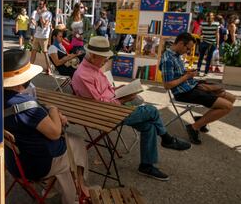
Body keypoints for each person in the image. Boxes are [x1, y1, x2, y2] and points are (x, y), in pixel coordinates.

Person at [72, 36, 191, 181]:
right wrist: (122, 99)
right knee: (152, 111)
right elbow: (101, 105)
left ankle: (146, 165)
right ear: (94, 55)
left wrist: (119, 91)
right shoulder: (84, 74)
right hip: (105, 115)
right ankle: (166, 139)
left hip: (111, 108)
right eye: (104, 57)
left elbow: (104, 94)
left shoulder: (92, 67)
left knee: (148, 126)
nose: (106, 61)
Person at [3, 49, 89, 204]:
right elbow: (55, 133)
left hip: (15, 163)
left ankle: (54, 187)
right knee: (77, 142)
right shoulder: (27, 107)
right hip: (36, 165)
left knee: (70, 142)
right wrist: (54, 110)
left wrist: (49, 112)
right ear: (23, 79)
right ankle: (76, 194)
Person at [159, 32, 236, 144]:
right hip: (184, 92)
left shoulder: (176, 55)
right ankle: (194, 127)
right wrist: (186, 76)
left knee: (231, 98)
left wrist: (187, 73)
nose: (188, 51)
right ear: (180, 43)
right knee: (227, 107)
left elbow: (178, 74)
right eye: (188, 48)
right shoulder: (168, 59)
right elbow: (167, 85)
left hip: (192, 85)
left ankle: (201, 120)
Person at [30, 0, 53, 74]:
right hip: (37, 35)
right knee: (33, 51)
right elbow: (32, 20)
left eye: (40, 4)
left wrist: (40, 15)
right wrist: (35, 24)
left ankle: (49, 68)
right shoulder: (35, 12)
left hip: (44, 36)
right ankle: (30, 66)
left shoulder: (48, 14)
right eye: (38, 3)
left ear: (44, 5)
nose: (38, 5)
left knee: (45, 52)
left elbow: (45, 25)